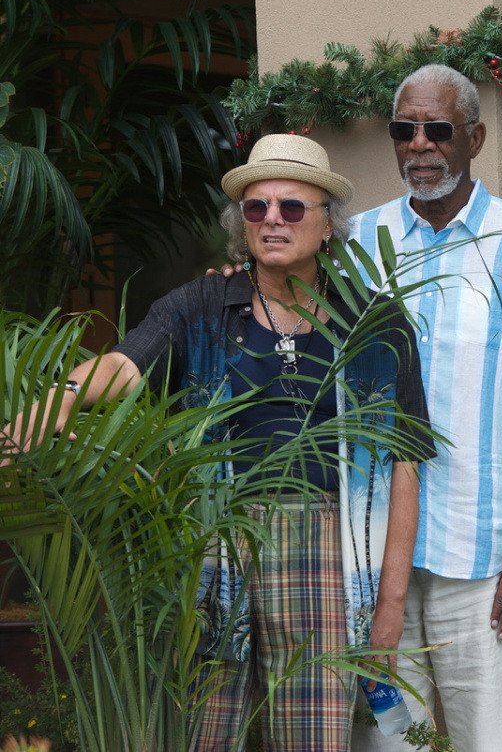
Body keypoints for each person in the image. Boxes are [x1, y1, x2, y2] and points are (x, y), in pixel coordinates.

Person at [4, 133, 435, 751]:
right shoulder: (202, 305)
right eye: (257, 207)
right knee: (205, 731)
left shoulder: (377, 322)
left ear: (328, 226)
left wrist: (390, 608)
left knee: (312, 737)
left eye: (292, 207)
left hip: (324, 547)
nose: (272, 219)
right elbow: (128, 362)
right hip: (214, 538)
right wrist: (65, 394)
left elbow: (405, 466)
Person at [348, 64, 502, 752]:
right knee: (394, 743)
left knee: (492, 743)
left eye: (438, 129)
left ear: (474, 139)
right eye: (404, 130)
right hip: (372, 558)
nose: (419, 144)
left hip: (484, 556)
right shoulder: (353, 244)